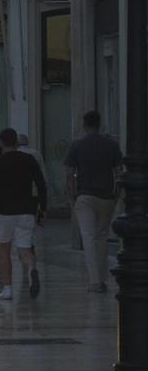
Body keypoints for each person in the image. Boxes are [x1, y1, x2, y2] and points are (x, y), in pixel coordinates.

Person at [65, 110, 123, 293]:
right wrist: (116, 194)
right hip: (106, 197)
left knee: (88, 238)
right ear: (99, 124)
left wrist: (72, 196)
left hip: (84, 196)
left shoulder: (76, 146)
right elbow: (119, 172)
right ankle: (102, 277)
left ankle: (95, 281)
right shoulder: (111, 145)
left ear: (85, 124)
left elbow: (69, 175)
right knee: (102, 236)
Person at [0, 127, 48, 300]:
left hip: (4, 211)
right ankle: (31, 269)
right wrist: (42, 207)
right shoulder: (29, 159)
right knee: (24, 248)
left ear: (1, 143)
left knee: (4, 249)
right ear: (16, 141)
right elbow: (41, 183)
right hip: (26, 209)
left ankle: (7, 288)